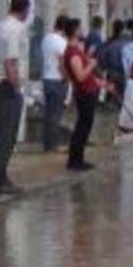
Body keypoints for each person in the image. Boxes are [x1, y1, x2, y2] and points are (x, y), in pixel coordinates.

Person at [0, 0, 30, 196]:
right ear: (25, 9)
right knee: (7, 135)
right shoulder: (15, 29)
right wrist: (17, 86)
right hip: (6, 85)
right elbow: (10, 61)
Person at [63, 18, 106, 171]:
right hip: (84, 94)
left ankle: (78, 159)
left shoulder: (75, 51)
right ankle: (75, 161)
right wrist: (91, 65)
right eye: (80, 29)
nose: (83, 31)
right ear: (75, 31)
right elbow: (80, 76)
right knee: (82, 127)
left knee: (84, 126)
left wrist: (98, 82)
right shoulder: (73, 53)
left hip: (87, 91)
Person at [41, 15, 69, 152]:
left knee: (48, 113)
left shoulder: (46, 39)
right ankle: (53, 144)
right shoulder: (61, 42)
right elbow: (62, 62)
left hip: (47, 78)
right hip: (57, 79)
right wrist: (66, 77)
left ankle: (47, 143)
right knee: (56, 114)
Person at [96, 18, 129, 97]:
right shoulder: (127, 44)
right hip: (123, 74)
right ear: (123, 30)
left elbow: (101, 61)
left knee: (111, 96)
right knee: (123, 97)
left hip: (111, 74)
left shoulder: (108, 44)